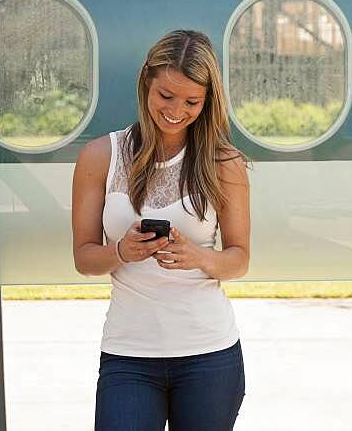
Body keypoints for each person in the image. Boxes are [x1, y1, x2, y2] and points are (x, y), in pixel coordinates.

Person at [72, 30, 250, 430]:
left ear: (207, 102)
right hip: (129, 355)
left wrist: (198, 256)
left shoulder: (224, 163)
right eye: (165, 96)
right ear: (145, 83)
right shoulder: (101, 156)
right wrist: (121, 251)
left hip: (210, 354)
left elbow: (239, 259)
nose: (176, 110)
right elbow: (84, 257)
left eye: (192, 102)